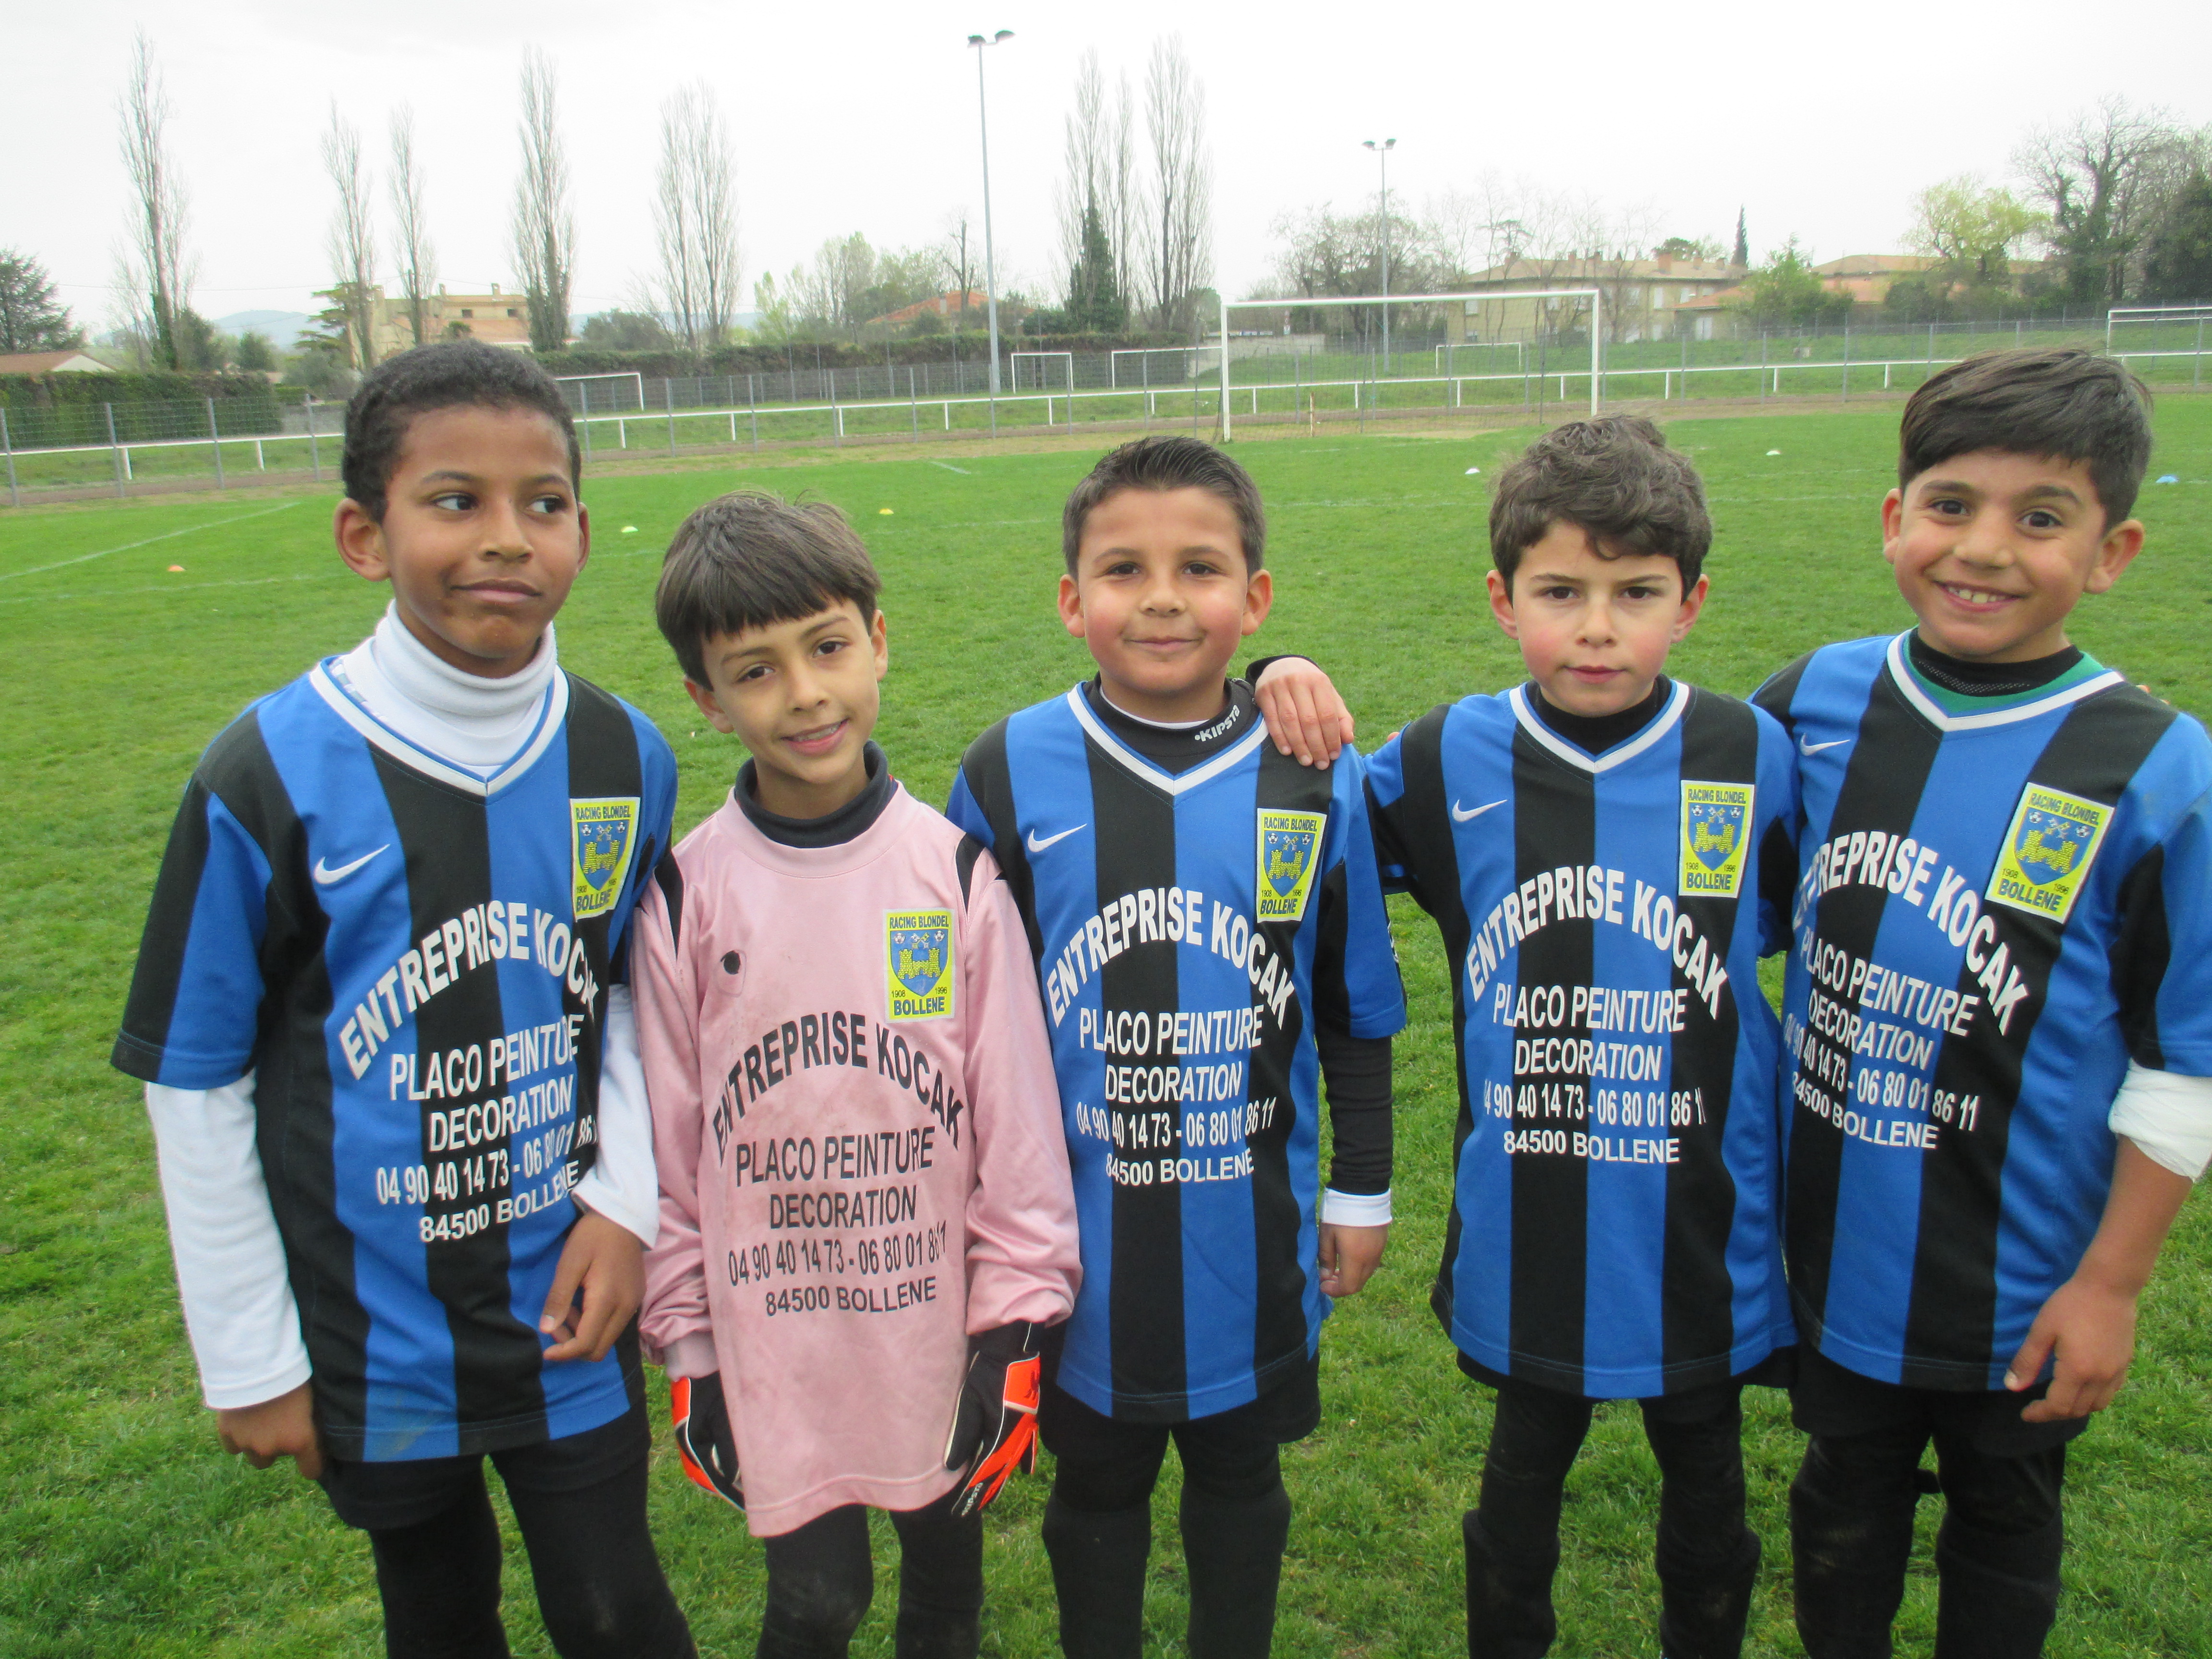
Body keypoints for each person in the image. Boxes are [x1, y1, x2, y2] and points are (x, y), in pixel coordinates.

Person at [111, 340, 695, 1657]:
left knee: (620, 1613)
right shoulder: (267, 772)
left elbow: (632, 1004)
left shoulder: (624, 755)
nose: (507, 538)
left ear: (585, 532)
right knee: (439, 1618)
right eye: (455, 501)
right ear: (363, 536)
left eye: (543, 503)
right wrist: (250, 1359)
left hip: (567, 1309)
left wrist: (624, 1201)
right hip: (369, 1327)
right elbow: (196, 1080)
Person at [1752, 348, 2212, 1658]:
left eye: (2043, 517)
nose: (1988, 549)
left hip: (2026, 1285)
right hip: (1836, 1258)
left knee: (2005, 1537)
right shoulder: (1819, 703)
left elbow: (2185, 1064)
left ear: (2113, 552)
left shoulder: (2156, 767)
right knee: (1840, 1513)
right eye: (1952, 505)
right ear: (1897, 518)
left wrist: (2113, 1286)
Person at [946, 434, 1408, 1659]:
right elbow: (952, 1026)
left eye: (1199, 568)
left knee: (1241, 1486)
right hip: (1076, 1248)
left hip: (1250, 1239)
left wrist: (1359, 1189)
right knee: (1093, 1488)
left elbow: (1357, 1010)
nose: (1160, 598)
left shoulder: (1312, 773)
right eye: (1123, 570)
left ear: (1254, 600)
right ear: (1070, 601)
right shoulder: (1003, 774)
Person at [1357, 416, 1799, 1659]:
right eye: (1562, 592)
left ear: (1692, 602)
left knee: (1708, 1489)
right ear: (1503, 599)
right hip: (1529, 1219)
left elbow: (1786, 907)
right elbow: (1307, 820)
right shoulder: (1446, 758)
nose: (1596, 626)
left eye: (1635, 593)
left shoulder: (1748, 753)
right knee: (1519, 1490)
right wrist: (1277, 670)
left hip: (1700, 1217)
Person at [634, 491, 1081, 1659]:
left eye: (828, 649)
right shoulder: (685, 898)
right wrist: (687, 1346)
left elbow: (1018, 1128)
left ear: (878, 639)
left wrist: (1018, 1325)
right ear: (706, 699)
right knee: (817, 1604)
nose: (807, 695)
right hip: (776, 1338)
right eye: (757, 671)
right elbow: (672, 1151)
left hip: (933, 1334)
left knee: (946, 1596)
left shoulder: (956, 875)